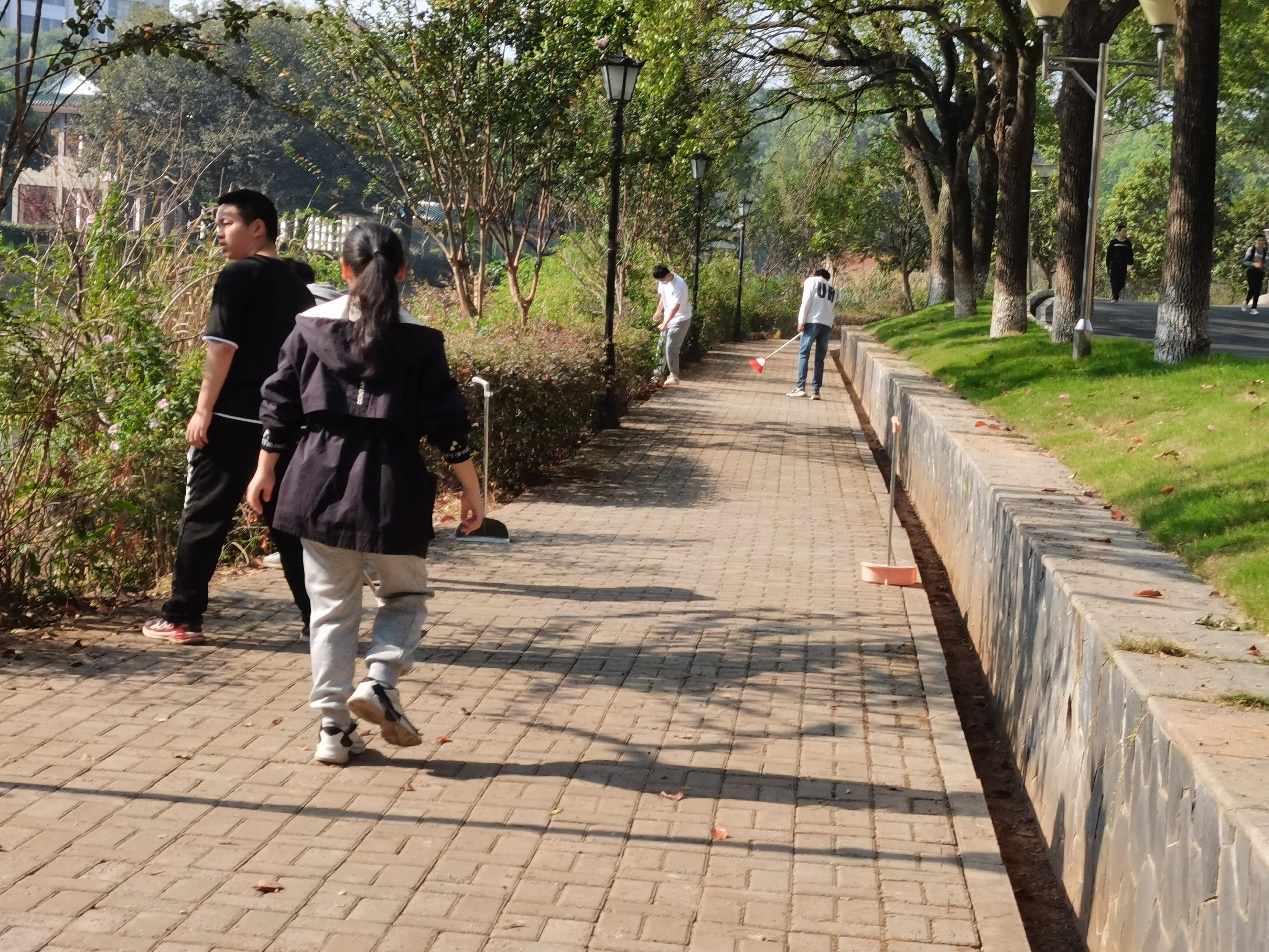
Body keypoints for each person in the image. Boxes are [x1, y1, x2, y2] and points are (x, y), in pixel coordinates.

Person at [246, 221, 483, 765]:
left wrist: (264, 471)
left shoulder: (307, 328)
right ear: (402, 271)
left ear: (345, 269)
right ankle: (379, 682)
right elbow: (447, 423)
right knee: (405, 596)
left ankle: (332, 731)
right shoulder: (421, 340)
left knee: (330, 611)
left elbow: (279, 405)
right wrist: (472, 491)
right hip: (392, 484)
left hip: (314, 479)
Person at [142, 190, 313, 645]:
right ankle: (319, 623)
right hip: (284, 425)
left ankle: (182, 618)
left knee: (204, 517)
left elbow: (221, 347)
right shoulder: (297, 285)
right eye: (216, 224)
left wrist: (203, 411)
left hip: (234, 419)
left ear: (258, 227)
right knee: (289, 528)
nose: (217, 232)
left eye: (226, 223)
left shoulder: (238, 274)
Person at [787, 268, 837, 401]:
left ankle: (800, 387)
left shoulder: (811, 281)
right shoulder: (832, 288)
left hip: (812, 322)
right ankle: (816, 390)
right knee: (820, 358)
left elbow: (806, 301)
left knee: (804, 353)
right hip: (826, 324)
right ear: (827, 278)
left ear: (816, 274)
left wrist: (801, 321)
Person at [651, 264, 692, 385]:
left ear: (668, 275)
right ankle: (658, 374)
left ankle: (674, 376)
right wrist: (658, 311)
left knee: (671, 347)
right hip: (668, 318)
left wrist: (665, 323)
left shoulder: (680, 285)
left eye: (662, 279)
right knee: (661, 346)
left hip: (680, 319)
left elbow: (676, 307)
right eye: (659, 280)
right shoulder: (663, 281)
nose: (661, 282)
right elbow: (663, 296)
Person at [1105, 223, 1134, 303]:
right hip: (1114, 265)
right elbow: (1109, 254)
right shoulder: (1113, 242)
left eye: (1126, 231)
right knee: (1114, 280)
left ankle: (1116, 292)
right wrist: (1107, 264)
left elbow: (1130, 254)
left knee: (1122, 281)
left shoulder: (1127, 243)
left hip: (1123, 265)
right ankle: (1115, 295)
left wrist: (1130, 263)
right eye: (1123, 231)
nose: (1125, 233)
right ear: (1119, 232)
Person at [1244, 235, 1268, 316]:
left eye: (1262, 240)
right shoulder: (1251, 249)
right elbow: (1245, 262)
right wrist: (1254, 264)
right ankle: (1246, 301)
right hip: (1251, 271)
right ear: (1256, 241)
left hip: (1260, 272)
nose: (1261, 242)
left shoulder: (1265, 251)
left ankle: (1254, 308)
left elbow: (1267, 262)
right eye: (1259, 240)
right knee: (1252, 287)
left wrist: (1262, 265)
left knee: (1257, 289)